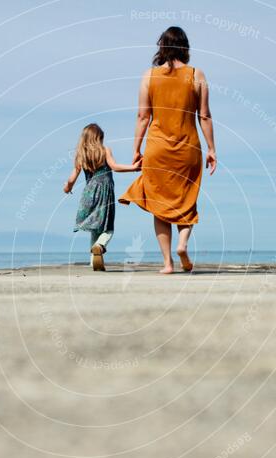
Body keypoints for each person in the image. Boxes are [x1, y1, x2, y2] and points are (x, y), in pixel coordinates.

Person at [119, 26, 217, 274]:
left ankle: (167, 263)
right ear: (185, 47)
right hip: (188, 148)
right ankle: (183, 245)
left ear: (161, 47)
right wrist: (212, 149)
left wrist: (136, 148)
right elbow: (204, 115)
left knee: (159, 204)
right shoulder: (197, 75)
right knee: (186, 198)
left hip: (157, 148)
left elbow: (143, 116)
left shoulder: (149, 76)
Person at [64, 123, 141, 271]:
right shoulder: (105, 150)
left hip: (88, 194)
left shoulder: (81, 155)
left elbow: (71, 179)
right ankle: (100, 245)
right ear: (98, 138)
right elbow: (115, 167)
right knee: (107, 228)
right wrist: (133, 167)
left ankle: (95, 263)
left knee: (95, 228)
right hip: (105, 193)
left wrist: (67, 188)